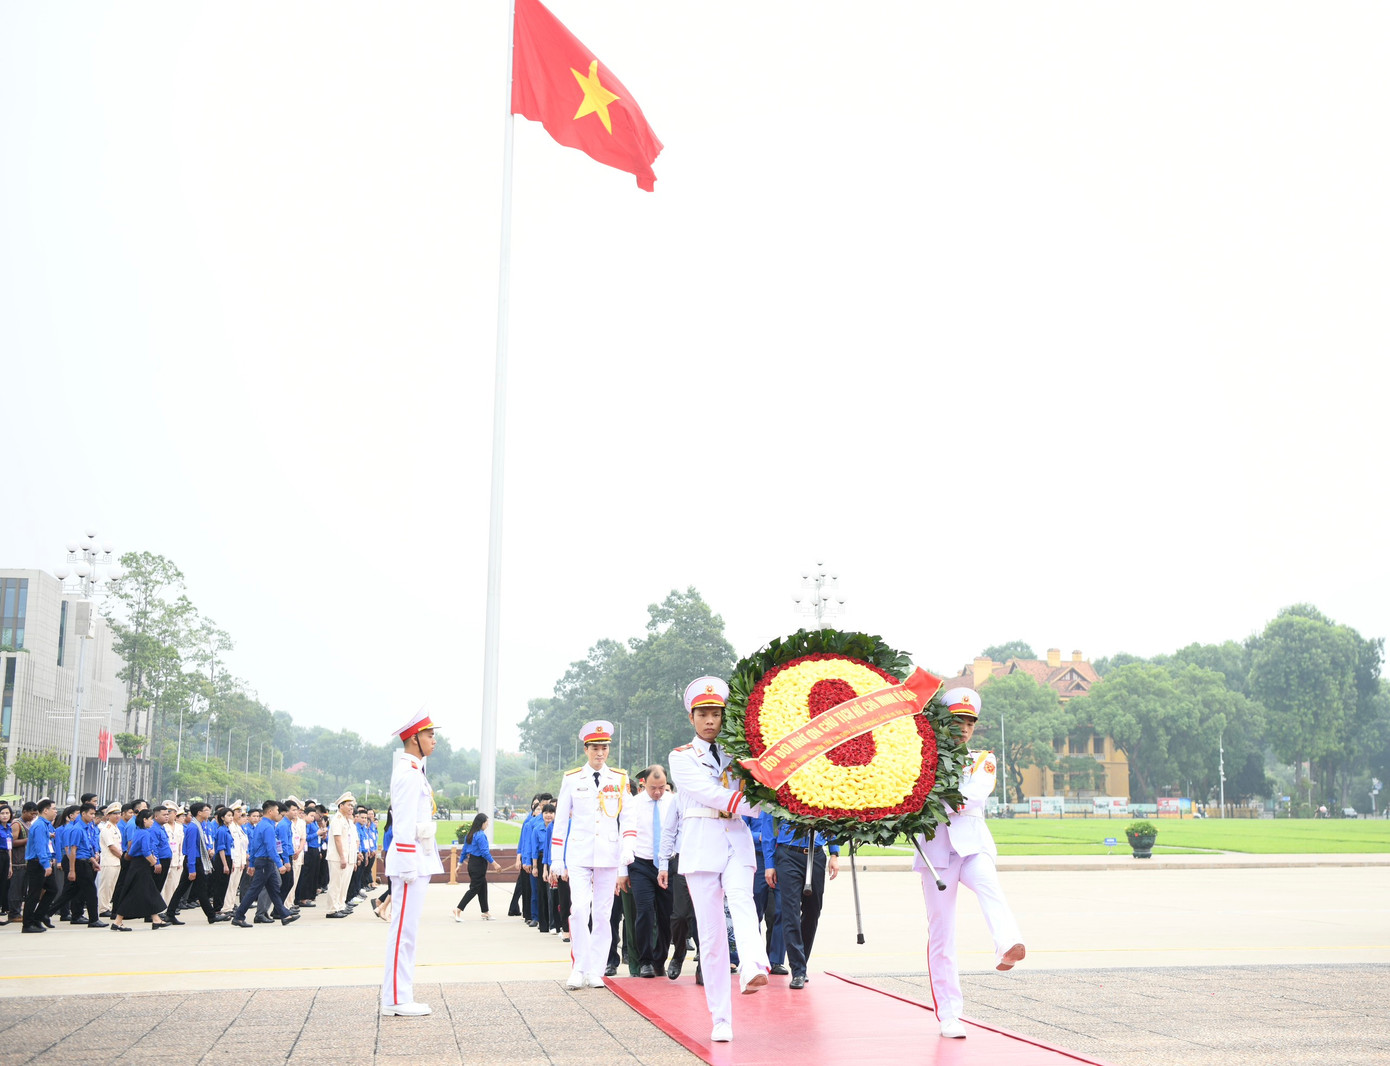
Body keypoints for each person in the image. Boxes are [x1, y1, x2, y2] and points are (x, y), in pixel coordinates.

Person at [912, 686, 1026, 1040]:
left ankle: (1008, 944)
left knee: (990, 888)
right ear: (942, 722)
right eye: (956, 721)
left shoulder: (982, 759)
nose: (963, 728)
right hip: (936, 855)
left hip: (973, 847)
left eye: (969, 722)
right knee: (942, 935)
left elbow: (973, 795)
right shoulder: (921, 758)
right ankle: (949, 1014)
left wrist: (930, 799)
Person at [664, 676, 769, 1043]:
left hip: (735, 839)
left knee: (743, 900)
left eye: (716, 714)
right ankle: (721, 1018)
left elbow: (761, 780)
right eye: (703, 714)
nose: (711, 720)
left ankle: (754, 966)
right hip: (701, 843)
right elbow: (707, 792)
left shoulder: (739, 754)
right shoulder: (680, 757)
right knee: (710, 938)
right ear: (692, 718)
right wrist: (757, 806)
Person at [548, 720, 636, 991]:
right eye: (595, 748)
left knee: (603, 914)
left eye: (604, 748)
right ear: (586, 749)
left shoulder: (619, 779)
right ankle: (579, 967)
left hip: (608, 854)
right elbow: (561, 822)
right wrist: (556, 859)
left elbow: (629, 817)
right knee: (578, 908)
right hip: (579, 852)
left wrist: (627, 849)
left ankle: (596, 969)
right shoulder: (572, 778)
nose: (600, 753)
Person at [381, 709, 444, 1018]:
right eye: (430, 735)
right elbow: (402, 822)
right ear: (415, 739)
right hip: (410, 862)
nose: (434, 740)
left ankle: (400, 993)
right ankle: (395, 997)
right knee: (403, 931)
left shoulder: (416, 769)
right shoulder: (407, 772)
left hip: (418, 859)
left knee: (409, 931)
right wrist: (407, 865)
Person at [760, 813, 838, 988]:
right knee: (790, 912)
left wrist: (834, 853)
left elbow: (833, 817)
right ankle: (798, 970)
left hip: (816, 854)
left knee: (813, 911)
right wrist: (769, 864)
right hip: (788, 854)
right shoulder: (779, 788)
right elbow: (768, 825)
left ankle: (802, 961)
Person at [626, 765, 675, 978]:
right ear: (644, 784)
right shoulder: (634, 804)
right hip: (641, 864)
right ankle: (644, 960)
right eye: (653, 787)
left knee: (667, 916)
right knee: (644, 912)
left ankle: (660, 959)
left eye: (662, 787)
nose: (657, 792)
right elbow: (625, 836)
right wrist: (622, 869)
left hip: (668, 864)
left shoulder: (674, 802)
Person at [229, 800, 298, 928]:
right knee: (254, 890)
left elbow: (254, 846)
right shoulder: (268, 827)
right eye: (277, 811)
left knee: (274, 889)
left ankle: (284, 914)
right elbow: (271, 848)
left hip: (264, 862)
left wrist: (252, 864)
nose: (279, 813)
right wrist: (280, 864)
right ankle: (239, 916)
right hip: (265, 862)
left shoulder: (262, 825)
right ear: (270, 811)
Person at [110, 809, 173, 932]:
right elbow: (146, 851)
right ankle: (118, 921)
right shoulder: (145, 833)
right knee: (137, 893)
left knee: (148, 892)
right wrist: (154, 862)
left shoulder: (138, 832)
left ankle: (155, 919)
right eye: (150, 819)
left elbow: (131, 851)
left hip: (136, 866)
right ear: (145, 820)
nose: (152, 821)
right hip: (141, 867)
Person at [165, 801, 222, 925]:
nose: (209, 813)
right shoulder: (193, 827)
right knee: (200, 889)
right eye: (206, 810)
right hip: (194, 861)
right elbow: (191, 849)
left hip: (197, 860)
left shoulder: (200, 825)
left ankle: (170, 913)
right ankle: (211, 916)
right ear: (200, 812)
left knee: (183, 888)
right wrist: (192, 869)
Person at [453, 813, 501, 920]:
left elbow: (464, 851)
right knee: (474, 889)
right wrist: (495, 863)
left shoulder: (470, 835)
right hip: (479, 864)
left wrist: (459, 864)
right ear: (482, 823)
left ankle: (485, 912)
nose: (488, 824)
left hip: (472, 863)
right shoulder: (480, 835)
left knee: (483, 886)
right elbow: (485, 852)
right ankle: (458, 909)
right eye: (486, 822)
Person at [21, 798, 57, 933]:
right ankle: (27, 924)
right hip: (37, 864)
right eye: (53, 809)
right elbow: (40, 847)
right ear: (46, 810)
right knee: (34, 894)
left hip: (43, 862)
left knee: (52, 889)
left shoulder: (45, 825)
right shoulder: (39, 825)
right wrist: (46, 864)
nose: (55, 811)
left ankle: (37, 917)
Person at [325, 794, 358, 918]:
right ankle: (332, 909)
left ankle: (340, 905)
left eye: (352, 806)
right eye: (349, 805)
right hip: (337, 857)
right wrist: (343, 857)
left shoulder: (347, 820)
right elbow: (338, 840)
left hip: (348, 857)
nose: (351, 808)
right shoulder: (337, 819)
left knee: (344, 884)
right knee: (336, 883)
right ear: (341, 805)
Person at [97, 804, 123, 917]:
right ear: (107, 816)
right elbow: (111, 847)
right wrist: (122, 857)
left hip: (116, 862)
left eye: (118, 814)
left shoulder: (115, 827)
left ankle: (107, 905)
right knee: (106, 886)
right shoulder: (106, 829)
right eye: (114, 814)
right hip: (109, 861)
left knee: (112, 886)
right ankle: (103, 908)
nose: (117, 816)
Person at [296, 805, 321, 908]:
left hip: (315, 849)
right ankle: (303, 898)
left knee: (313, 874)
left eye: (313, 816)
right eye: (311, 815)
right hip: (308, 849)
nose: (312, 818)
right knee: (306, 875)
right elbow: (306, 838)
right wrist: (317, 833)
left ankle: (310, 895)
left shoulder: (313, 823)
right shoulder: (305, 825)